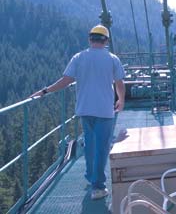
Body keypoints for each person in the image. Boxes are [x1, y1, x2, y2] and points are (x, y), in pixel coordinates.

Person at [31, 25, 125, 200]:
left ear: (90, 39)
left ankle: (91, 178)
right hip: (104, 111)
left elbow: (65, 81)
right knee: (102, 148)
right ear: (106, 41)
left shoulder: (78, 58)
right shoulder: (113, 59)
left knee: (90, 145)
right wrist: (121, 99)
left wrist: (44, 91)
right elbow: (119, 83)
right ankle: (98, 187)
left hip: (84, 109)